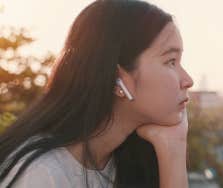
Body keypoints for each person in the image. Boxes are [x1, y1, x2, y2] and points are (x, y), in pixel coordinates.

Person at [0, 0, 194, 187]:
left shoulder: (127, 159)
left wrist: (174, 149)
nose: (188, 80)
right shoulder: (41, 175)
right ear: (118, 79)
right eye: (171, 61)